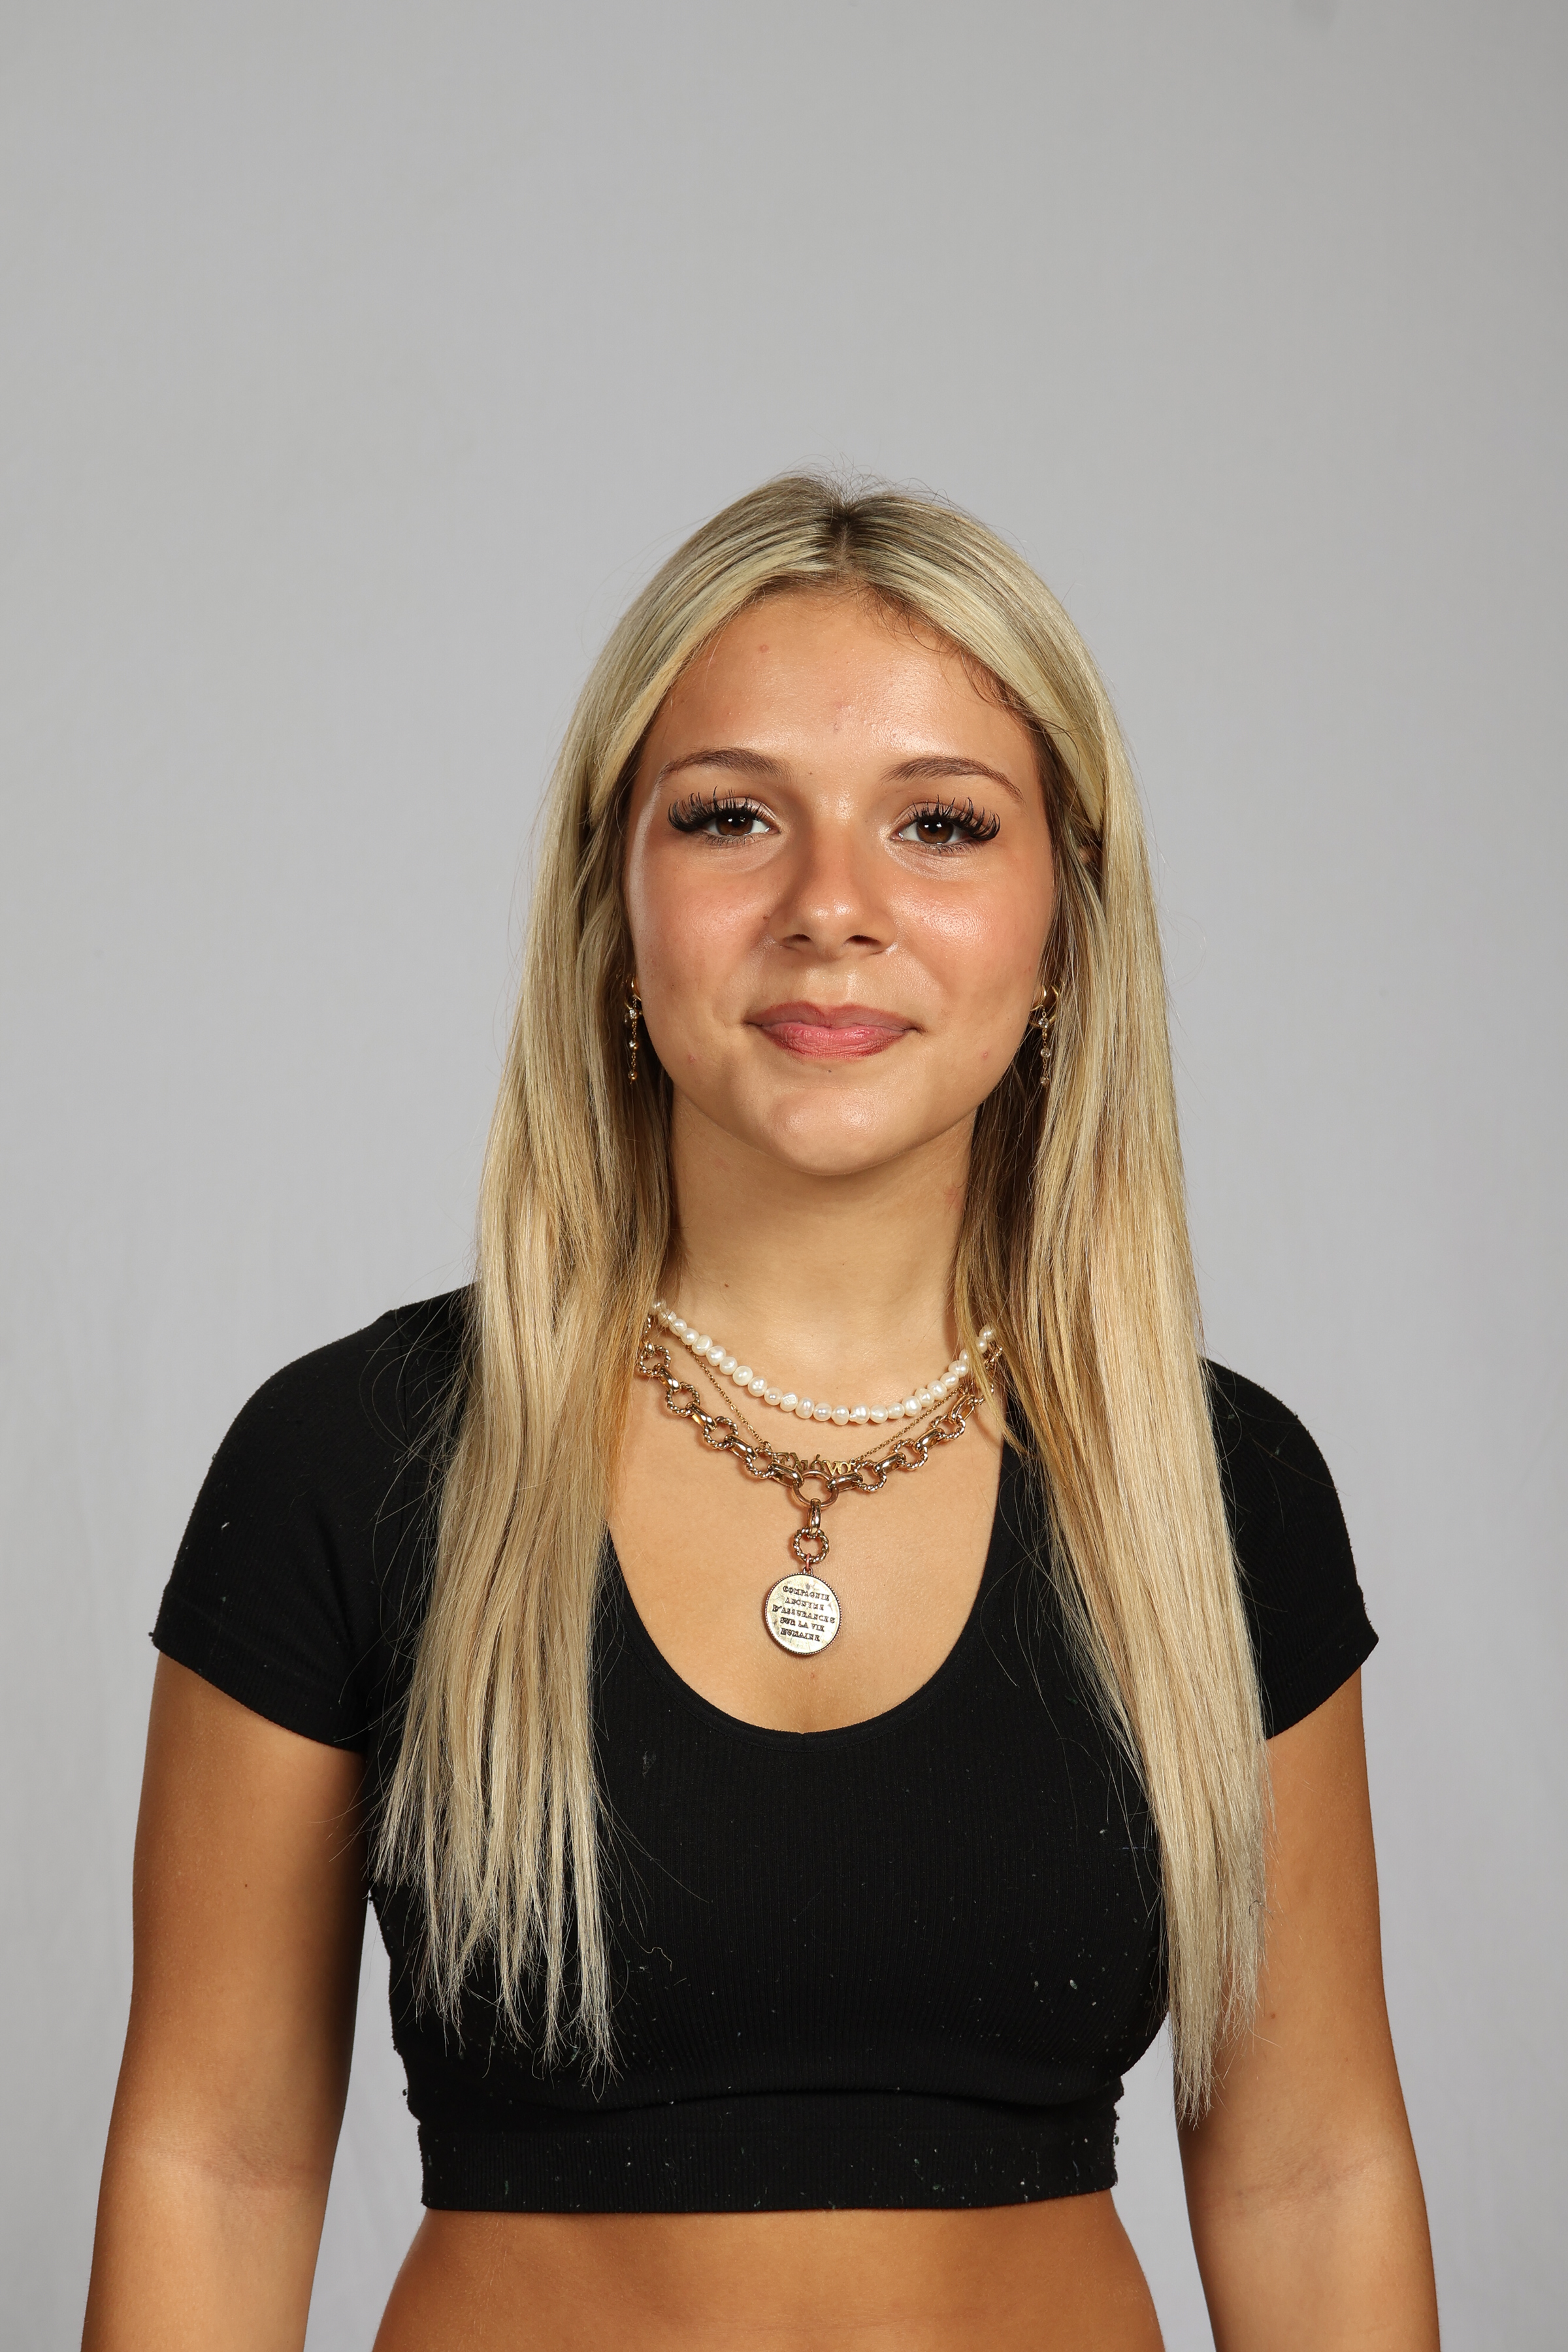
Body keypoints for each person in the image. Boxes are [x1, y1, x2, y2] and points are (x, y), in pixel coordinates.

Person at [83, 477, 1439, 2351]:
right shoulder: (356, 1465)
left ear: (1062, 925)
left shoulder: (1219, 1492)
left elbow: (1312, 2172)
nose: (830, 911)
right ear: (614, 906)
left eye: (941, 824)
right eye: (731, 816)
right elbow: (217, 2162)